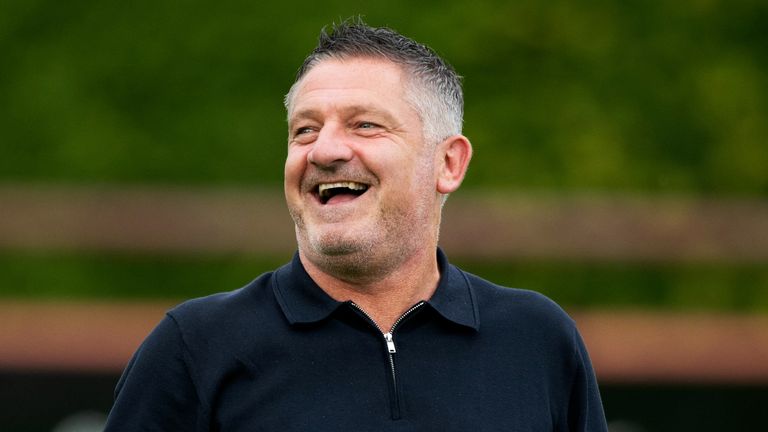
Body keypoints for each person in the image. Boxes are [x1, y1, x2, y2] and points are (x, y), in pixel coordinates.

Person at [104, 18, 608, 431]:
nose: (324, 150)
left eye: (365, 124)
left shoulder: (536, 340)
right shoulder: (195, 348)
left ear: (448, 163)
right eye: (305, 130)